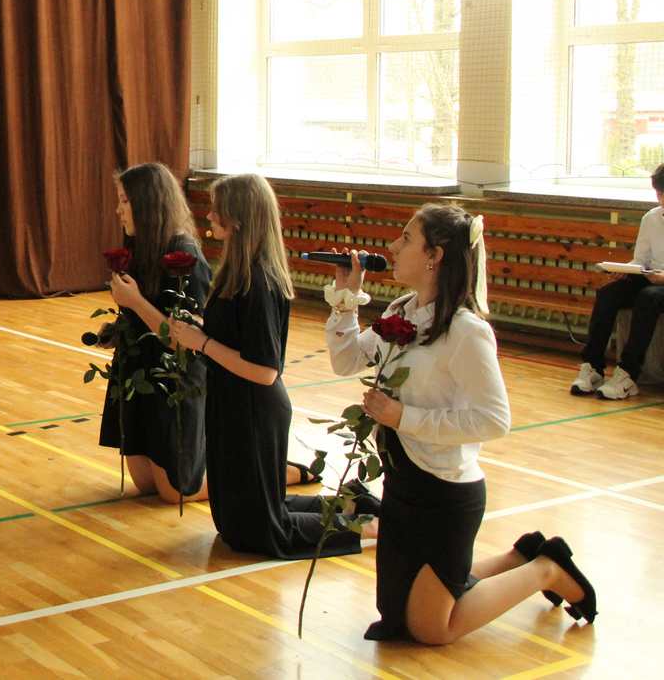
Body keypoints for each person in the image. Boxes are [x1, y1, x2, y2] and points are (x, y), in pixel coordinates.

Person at [329, 204, 597, 643]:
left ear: (434, 256)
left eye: (406, 239)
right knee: (403, 615)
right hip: (403, 480)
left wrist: (403, 417)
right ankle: (519, 557)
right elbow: (345, 361)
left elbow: (494, 419)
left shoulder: (466, 330)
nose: (393, 246)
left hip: (443, 491)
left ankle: (546, 569)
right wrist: (346, 300)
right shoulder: (402, 311)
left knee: (433, 629)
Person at [112, 172, 352, 554]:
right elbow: (231, 336)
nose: (208, 216)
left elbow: (265, 371)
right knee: (235, 522)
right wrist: (197, 328)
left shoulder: (260, 280)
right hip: (232, 403)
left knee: (262, 532)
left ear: (238, 218)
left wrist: (202, 342)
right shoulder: (236, 272)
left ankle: (367, 527)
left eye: (217, 209)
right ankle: (351, 506)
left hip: (255, 409)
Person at [97, 162, 214, 504]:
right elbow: (145, 318)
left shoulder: (185, 255)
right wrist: (118, 330)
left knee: (175, 492)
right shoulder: (143, 249)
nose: (118, 210)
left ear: (147, 204)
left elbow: (183, 340)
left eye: (125, 201)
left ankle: (274, 472)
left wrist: (134, 301)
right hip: (141, 375)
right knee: (146, 484)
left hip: (174, 379)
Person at [572, 162, 664, 400]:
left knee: (648, 297)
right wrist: (626, 270)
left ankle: (628, 373)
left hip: (660, 285)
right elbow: (641, 259)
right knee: (608, 293)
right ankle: (593, 366)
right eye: (659, 194)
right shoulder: (651, 218)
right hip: (651, 276)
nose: (661, 200)